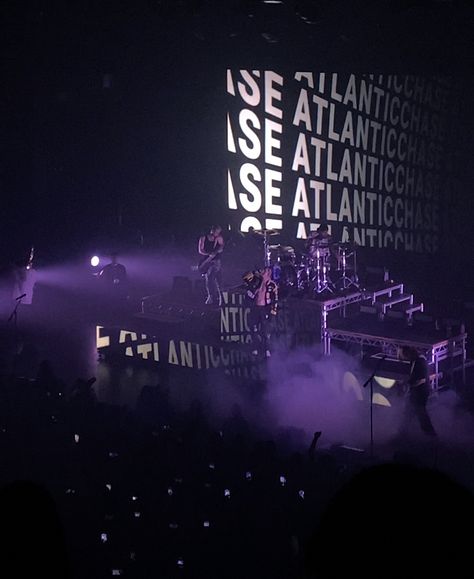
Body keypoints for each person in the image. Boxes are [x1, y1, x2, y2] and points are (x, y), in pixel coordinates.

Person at [398, 345, 437, 437]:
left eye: (403, 355)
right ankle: (405, 432)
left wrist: (408, 384)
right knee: (410, 412)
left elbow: (421, 379)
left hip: (421, 392)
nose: (403, 358)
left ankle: (431, 435)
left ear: (407, 353)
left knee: (421, 414)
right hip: (416, 391)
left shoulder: (420, 361)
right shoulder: (414, 360)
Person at [244, 266, 278, 358]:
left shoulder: (272, 285)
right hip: (255, 309)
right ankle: (255, 348)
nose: (264, 272)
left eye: (267, 271)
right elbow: (248, 294)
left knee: (265, 331)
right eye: (264, 270)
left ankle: (267, 349)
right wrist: (253, 289)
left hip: (265, 309)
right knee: (254, 329)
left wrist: (273, 312)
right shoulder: (256, 282)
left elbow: (275, 299)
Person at [198, 225, 224, 305]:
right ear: (212, 230)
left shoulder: (219, 238)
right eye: (216, 232)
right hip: (206, 260)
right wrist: (208, 254)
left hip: (216, 261)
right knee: (208, 279)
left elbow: (222, 246)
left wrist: (218, 250)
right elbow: (200, 250)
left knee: (214, 277)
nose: (217, 234)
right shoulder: (203, 238)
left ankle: (220, 297)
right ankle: (210, 296)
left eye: (218, 232)